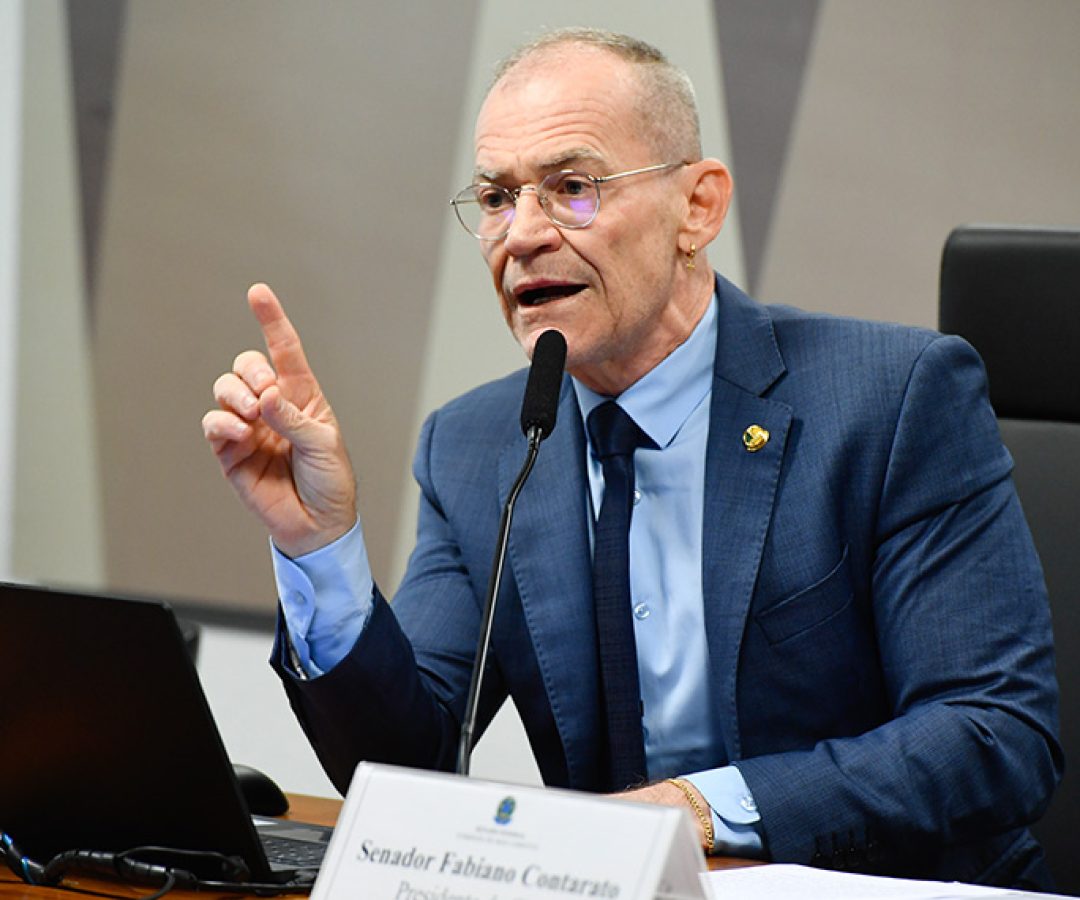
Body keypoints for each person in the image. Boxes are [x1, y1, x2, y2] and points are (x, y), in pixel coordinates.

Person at [202, 28, 1061, 888]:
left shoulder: (890, 399)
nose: (522, 235)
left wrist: (700, 810)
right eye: (496, 198)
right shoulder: (475, 447)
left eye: (573, 188)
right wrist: (321, 548)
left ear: (699, 207)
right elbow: (406, 761)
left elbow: (993, 732)